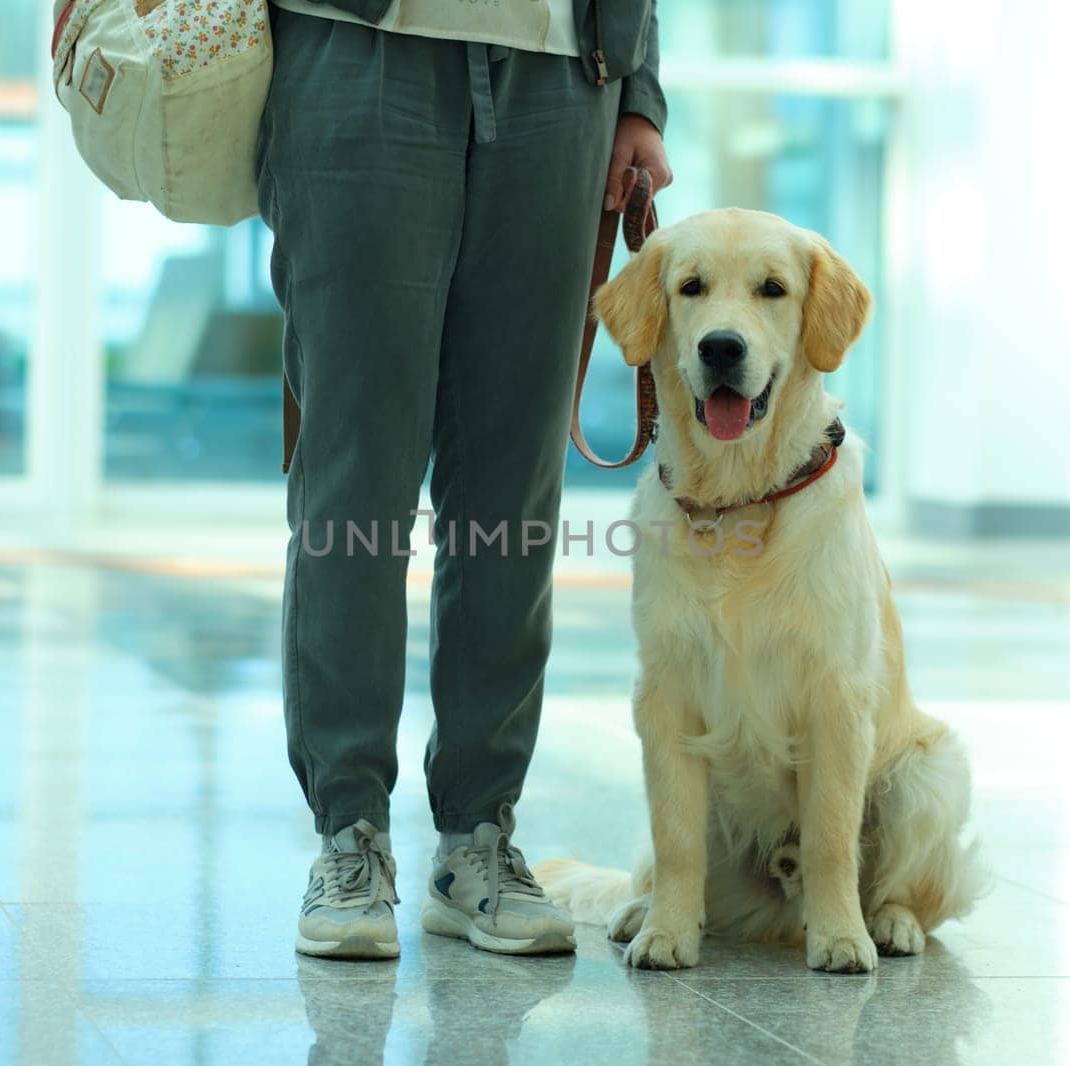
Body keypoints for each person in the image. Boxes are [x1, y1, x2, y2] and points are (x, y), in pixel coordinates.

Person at [257, 0, 671, 959]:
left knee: (514, 485)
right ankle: (349, 834)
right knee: (355, 475)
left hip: (563, 71)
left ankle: (477, 838)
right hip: (358, 50)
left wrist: (637, 94)